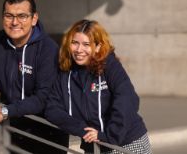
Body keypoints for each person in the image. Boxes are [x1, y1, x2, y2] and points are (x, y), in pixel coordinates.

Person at [0, 0, 69, 154]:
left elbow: (44, 97)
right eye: (9, 16)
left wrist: (2, 112)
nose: (15, 22)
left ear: (34, 18)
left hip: (48, 131)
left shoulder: (48, 49)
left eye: (22, 16)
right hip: (15, 129)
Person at [45, 19, 152, 154]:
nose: (79, 50)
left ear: (97, 47)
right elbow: (52, 108)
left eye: (86, 44)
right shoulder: (66, 72)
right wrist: (82, 129)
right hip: (98, 144)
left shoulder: (110, 66)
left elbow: (127, 100)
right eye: (75, 43)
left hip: (128, 142)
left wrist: (109, 135)